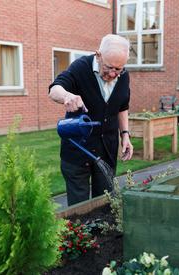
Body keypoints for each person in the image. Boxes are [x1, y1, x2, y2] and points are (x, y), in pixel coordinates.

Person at [48, 34, 133, 206]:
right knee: (78, 210)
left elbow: (122, 106)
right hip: (78, 151)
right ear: (98, 55)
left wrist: (125, 134)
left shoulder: (123, 75)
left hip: (107, 150)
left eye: (118, 69)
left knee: (105, 204)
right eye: (109, 67)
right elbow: (54, 89)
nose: (113, 74)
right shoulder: (81, 68)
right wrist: (66, 96)